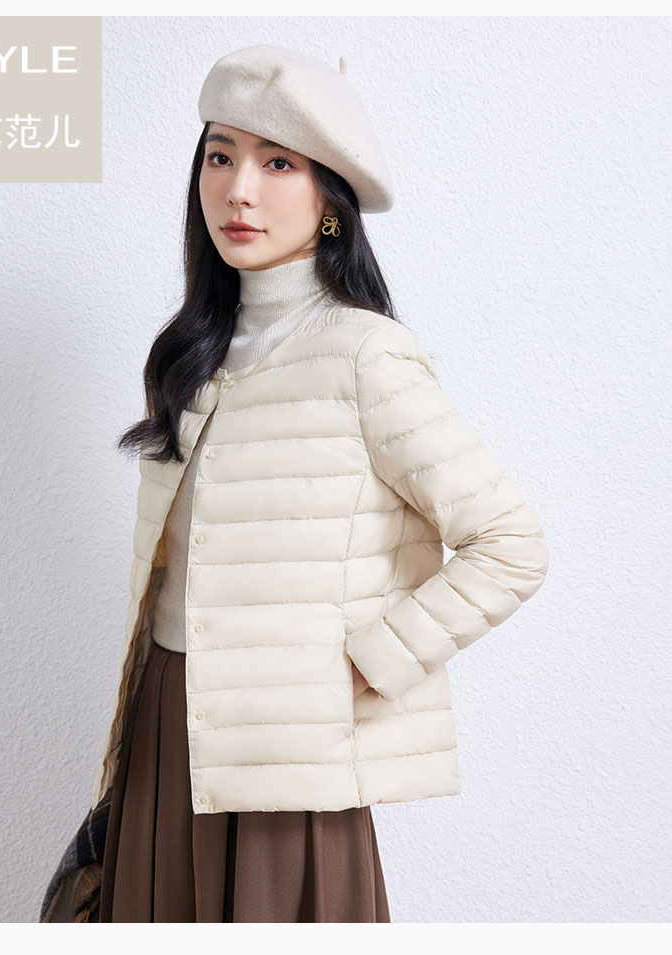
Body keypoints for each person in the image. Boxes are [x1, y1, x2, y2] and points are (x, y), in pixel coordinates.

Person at [42, 42, 549, 924]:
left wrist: (366, 663)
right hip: (166, 724)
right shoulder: (188, 356)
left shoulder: (365, 354)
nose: (239, 190)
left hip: (291, 751)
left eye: (278, 163)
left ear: (331, 204)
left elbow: (510, 545)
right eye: (220, 156)